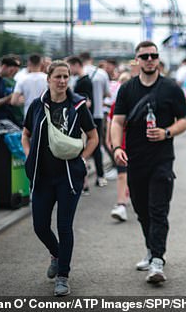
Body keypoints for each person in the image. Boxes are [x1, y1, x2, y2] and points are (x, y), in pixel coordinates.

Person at [111, 41, 186, 284]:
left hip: (162, 161)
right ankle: (150, 249)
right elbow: (117, 121)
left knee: (158, 210)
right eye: (144, 56)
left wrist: (167, 132)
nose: (149, 59)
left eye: (153, 55)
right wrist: (116, 148)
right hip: (135, 160)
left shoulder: (171, 88)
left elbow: (185, 120)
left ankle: (157, 260)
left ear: (158, 59)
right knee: (142, 210)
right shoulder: (127, 89)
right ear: (137, 60)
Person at [21, 61, 99, 296]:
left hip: (68, 177)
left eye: (66, 76)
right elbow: (25, 135)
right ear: (48, 79)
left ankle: (63, 275)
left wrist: (83, 160)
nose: (63, 81)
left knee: (64, 226)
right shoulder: (37, 105)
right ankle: (56, 254)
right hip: (42, 177)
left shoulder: (77, 106)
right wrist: (29, 157)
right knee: (40, 226)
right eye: (58, 77)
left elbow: (93, 137)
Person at [80, 52, 111, 188]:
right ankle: (100, 176)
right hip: (97, 114)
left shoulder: (77, 74)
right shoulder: (102, 73)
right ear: (91, 59)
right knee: (96, 145)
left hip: (80, 115)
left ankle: (82, 181)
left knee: (80, 146)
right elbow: (107, 93)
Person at [106, 72, 132, 222]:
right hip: (121, 145)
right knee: (122, 174)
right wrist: (109, 140)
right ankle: (121, 204)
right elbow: (111, 122)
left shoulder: (138, 102)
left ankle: (129, 194)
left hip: (136, 146)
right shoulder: (116, 105)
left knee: (134, 176)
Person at [11, 53, 48, 118]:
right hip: (44, 115)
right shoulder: (48, 79)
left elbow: (13, 101)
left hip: (28, 115)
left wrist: (22, 101)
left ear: (29, 63)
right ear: (41, 63)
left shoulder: (22, 79)